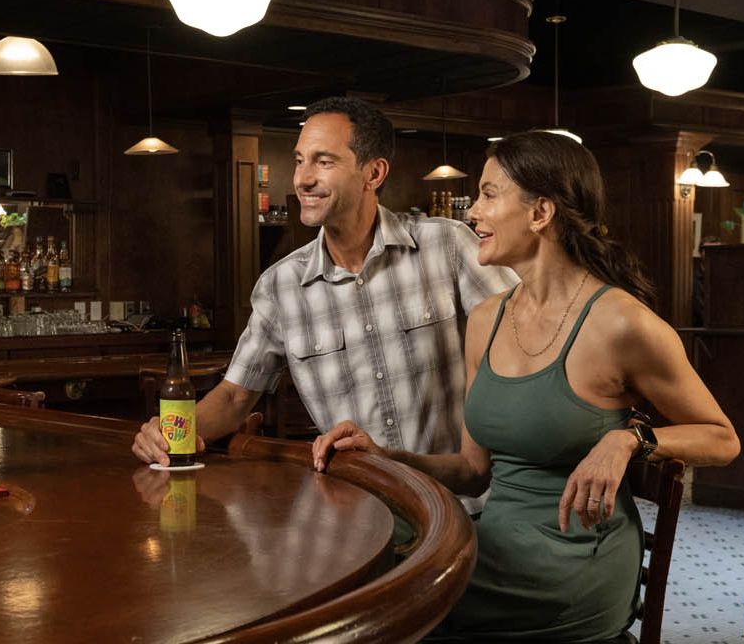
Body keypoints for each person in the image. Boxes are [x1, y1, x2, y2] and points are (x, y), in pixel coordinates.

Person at [313, 131, 740, 641]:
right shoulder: (487, 319)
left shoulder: (622, 324)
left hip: (574, 565)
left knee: (388, 605)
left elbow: (722, 438)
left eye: (490, 195)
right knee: (354, 565)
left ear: (540, 213)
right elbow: (473, 472)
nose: (472, 213)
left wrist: (628, 439)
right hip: (495, 547)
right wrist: (383, 456)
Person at [131, 96, 517, 512]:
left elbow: (533, 335)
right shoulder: (281, 286)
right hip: (363, 521)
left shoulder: (449, 246)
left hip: (466, 508)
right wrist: (170, 431)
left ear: (374, 172)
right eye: (300, 161)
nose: (302, 179)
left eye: (323, 162)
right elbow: (233, 398)